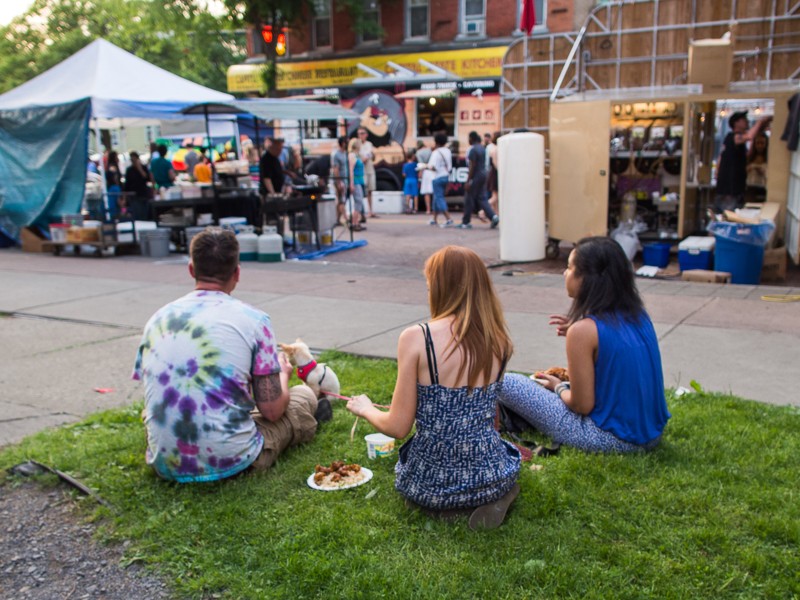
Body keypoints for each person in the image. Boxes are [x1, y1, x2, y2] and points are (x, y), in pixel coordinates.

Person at [346, 245, 520, 530]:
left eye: (429, 286)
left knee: (417, 483)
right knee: (505, 455)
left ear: (441, 288)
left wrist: (364, 409)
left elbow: (398, 427)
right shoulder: (499, 340)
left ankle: (446, 511)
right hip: (491, 475)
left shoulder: (417, 338)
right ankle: (492, 499)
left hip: (430, 483)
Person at [133, 228, 320, 483]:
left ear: (191, 269)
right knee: (302, 396)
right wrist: (284, 375)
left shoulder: (157, 318)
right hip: (234, 461)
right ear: (237, 273)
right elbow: (272, 411)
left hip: (166, 463)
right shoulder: (255, 321)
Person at [498, 236, 671, 453]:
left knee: (508, 382)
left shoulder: (583, 332)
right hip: (652, 436)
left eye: (570, 267)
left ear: (588, 279)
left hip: (609, 438)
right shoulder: (640, 317)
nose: (565, 273)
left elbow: (581, 405)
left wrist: (558, 386)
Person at [714, 111, 772, 213]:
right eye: (744, 119)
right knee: (729, 216)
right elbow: (749, 136)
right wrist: (760, 122)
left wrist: (761, 128)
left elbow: (747, 156)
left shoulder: (734, 142)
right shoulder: (733, 137)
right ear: (736, 123)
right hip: (729, 191)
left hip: (736, 189)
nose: (747, 121)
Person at [458, 131, 498, 230]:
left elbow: (472, 166)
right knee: (482, 198)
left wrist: (468, 181)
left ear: (472, 139)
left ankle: (466, 221)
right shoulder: (482, 148)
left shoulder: (473, 150)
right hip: (483, 175)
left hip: (476, 176)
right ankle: (493, 216)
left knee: (469, 198)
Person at [427, 133, 454, 227]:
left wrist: (424, 167)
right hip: (446, 176)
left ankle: (448, 218)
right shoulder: (448, 151)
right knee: (436, 198)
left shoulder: (436, 152)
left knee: (439, 198)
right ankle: (434, 219)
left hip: (437, 177)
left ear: (436, 142)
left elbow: (433, 167)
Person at [123, 151, 153, 221]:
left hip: (143, 194)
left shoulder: (143, 167)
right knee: (137, 214)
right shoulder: (129, 170)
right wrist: (125, 197)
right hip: (134, 195)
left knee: (144, 214)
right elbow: (127, 184)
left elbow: (147, 179)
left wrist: (140, 169)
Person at [357, 127, 377, 218]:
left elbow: (373, 157)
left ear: (366, 134)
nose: (360, 135)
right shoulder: (357, 145)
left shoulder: (369, 144)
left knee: (370, 191)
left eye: (362, 133)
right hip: (362, 171)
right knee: (361, 191)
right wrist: (364, 159)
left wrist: (372, 155)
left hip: (370, 170)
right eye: (359, 133)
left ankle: (370, 210)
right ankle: (361, 211)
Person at [348, 137, 366, 231]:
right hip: (355, 181)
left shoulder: (357, 155)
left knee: (359, 202)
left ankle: (356, 221)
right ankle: (354, 223)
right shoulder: (352, 155)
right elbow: (351, 170)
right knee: (358, 202)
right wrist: (351, 184)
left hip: (359, 180)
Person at [745, 132, 769, 203]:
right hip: (750, 188)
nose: (760, 146)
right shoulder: (749, 157)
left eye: (762, 143)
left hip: (762, 188)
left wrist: (762, 171)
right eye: (757, 143)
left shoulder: (769, 158)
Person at [331, 136, 349, 226]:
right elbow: (336, 169)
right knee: (342, 200)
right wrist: (338, 182)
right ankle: (346, 219)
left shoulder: (345, 153)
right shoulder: (337, 155)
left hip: (345, 180)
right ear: (342, 143)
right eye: (346, 142)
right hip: (340, 180)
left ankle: (337, 220)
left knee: (341, 201)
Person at [416, 140, 433, 215]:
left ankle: (428, 209)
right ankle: (435, 209)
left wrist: (420, 172)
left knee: (426, 192)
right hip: (432, 171)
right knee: (434, 191)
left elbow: (421, 164)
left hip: (425, 172)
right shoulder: (430, 150)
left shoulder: (418, 152)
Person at [105, 150, 122, 218]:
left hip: (112, 188)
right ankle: (119, 215)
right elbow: (115, 178)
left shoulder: (109, 166)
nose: (118, 159)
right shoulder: (113, 167)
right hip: (114, 188)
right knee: (119, 204)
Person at [402, 149, 419, 214]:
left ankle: (408, 208)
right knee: (415, 195)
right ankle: (415, 208)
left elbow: (404, 174)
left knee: (408, 194)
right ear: (412, 157)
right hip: (414, 180)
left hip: (407, 180)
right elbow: (418, 172)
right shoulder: (415, 164)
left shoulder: (405, 165)